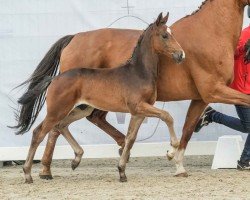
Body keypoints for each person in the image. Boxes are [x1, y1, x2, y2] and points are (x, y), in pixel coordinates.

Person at [194, 8, 250, 170]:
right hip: (242, 87)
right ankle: (245, 161)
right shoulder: (245, 33)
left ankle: (212, 115)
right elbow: (228, 53)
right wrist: (243, 49)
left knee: (248, 126)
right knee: (249, 126)